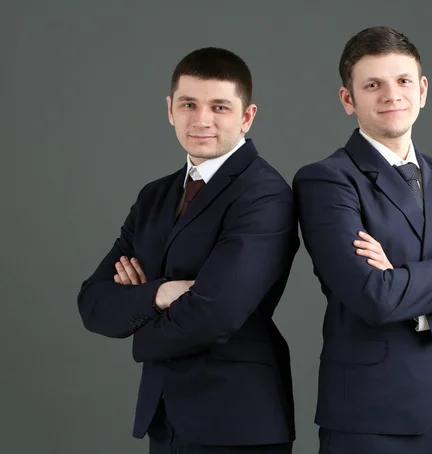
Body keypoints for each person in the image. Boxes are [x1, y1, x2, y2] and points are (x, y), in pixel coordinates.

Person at [293, 26, 432, 454]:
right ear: (349, 100)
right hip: (370, 414)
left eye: (402, 81)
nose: (391, 95)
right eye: (372, 84)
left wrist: (419, 305)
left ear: (422, 90)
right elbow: (372, 296)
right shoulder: (326, 181)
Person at [78, 47, 298, 454]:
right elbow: (93, 303)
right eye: (189, 104)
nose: (201, 120)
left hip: (238, 423)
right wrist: (160, 293)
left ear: (247, 116)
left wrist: (137, 329)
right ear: (170, 109)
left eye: (219, 107)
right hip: (164, 419)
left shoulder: (265, 195)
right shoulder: (154, 196)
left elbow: (215, 314)